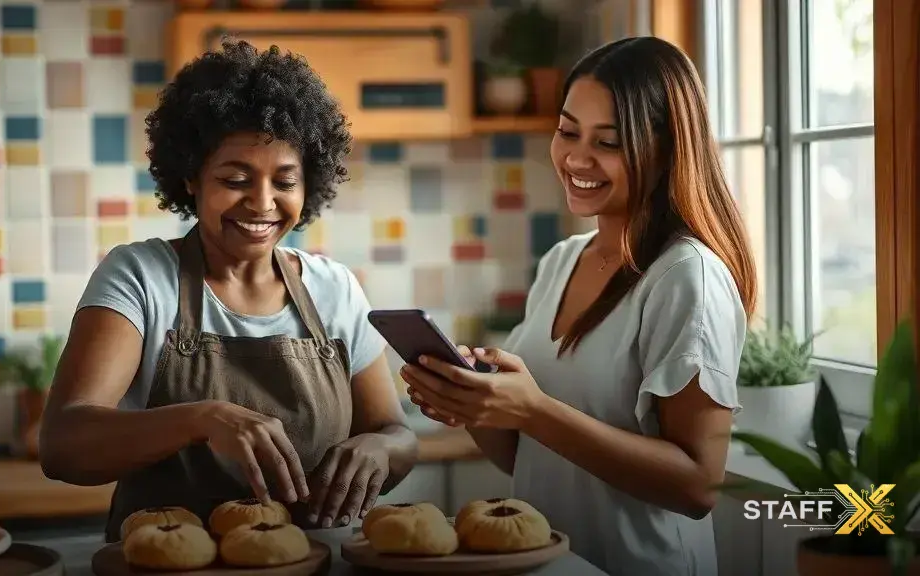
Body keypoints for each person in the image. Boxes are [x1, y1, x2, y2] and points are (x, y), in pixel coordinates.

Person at [403, 36, 755, 576]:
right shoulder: (563, 260)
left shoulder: (687, 277)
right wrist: (473, 406)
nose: (575, 158)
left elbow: (697, 485)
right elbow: (529, 458)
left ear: (664, 149)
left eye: (607, 142)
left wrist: (533, 409)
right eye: (568, 131)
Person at [39, 40, 417, 542]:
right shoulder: (141, 277)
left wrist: (380, 450)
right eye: (236, 179)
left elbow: (397, 433)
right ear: (191, 178)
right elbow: (64, 445)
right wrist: (201, 419)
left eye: (285, 182)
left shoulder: (335, 289)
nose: (262, 203)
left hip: (314, 561)